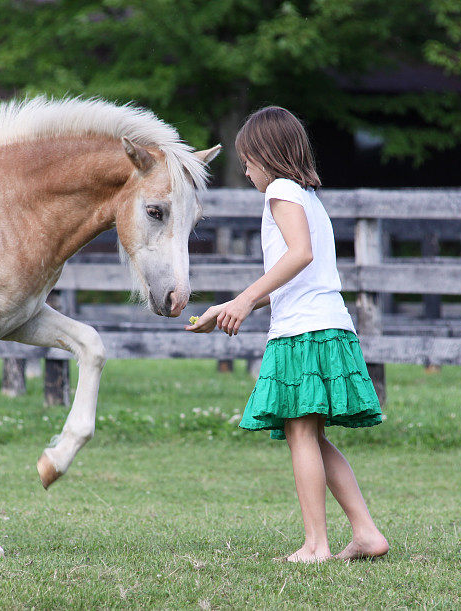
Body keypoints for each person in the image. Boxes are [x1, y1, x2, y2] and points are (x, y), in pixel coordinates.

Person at [186, 106, 389, 563]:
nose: (245, 170)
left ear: (267, 156)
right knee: (312, 437)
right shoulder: (305, 197)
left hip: (304, 334)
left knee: (301, 437)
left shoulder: (279, 190)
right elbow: (296, 273)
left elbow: (299, 254)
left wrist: (243, 300)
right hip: (327, 326)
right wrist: (228, 307)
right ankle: (366, 533)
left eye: (248, 160)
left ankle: (316, 545)